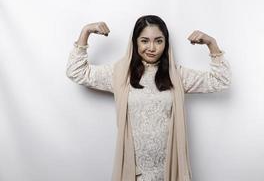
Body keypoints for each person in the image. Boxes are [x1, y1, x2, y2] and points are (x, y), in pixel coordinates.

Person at [66, 15, 231, 181]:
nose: (152, 48)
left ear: (166, 43)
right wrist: (85, 32)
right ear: (135, 42)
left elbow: (220, 81)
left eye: (158, 41)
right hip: (135, 170)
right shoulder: (120, 74)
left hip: (169, 168)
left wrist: (212, 44)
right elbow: (77, 73)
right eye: (145, 41)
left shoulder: (177, 75)